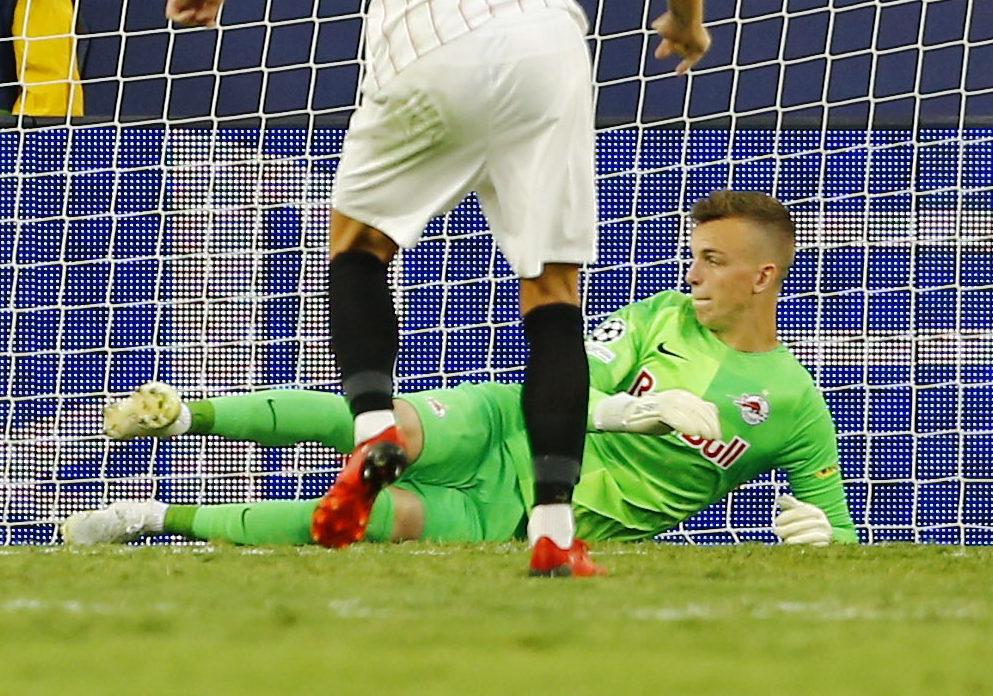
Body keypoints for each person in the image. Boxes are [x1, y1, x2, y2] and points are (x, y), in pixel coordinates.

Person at [166, 0, 709, 578]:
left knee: (361, 241)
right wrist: (686, 26)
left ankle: (376, 424)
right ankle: (552, 529)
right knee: (553, 293)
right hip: (547, 46)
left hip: (429, 38)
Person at [65, 190, 857, 553]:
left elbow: (843, 534)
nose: (694, 276)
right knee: (391, 427)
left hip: (521, 520)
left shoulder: (791, 406)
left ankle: (148, 519)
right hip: (505, 427)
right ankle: (188, 415)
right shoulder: (660, 316)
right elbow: (573, 379)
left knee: (368, 520)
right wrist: (630, 411)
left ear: (763, 278)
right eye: (693, 258)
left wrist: (822, 539)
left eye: (713, 263)